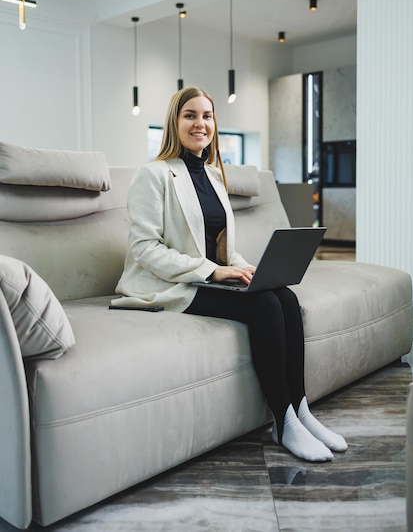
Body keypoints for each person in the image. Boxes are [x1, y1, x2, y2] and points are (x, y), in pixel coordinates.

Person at [113, 86, 348, 462]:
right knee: (265, 307)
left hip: (206, 274)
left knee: (284, 296)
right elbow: (145, 249)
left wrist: (241, 267)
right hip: (168, 285)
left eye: (207, 116)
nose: (200, 123)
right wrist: (213, 271)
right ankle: (284, 422)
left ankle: (302, 412)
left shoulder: (214, 176)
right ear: (175, 122)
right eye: (190, 115)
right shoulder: (153, 174)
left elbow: (220, 245)